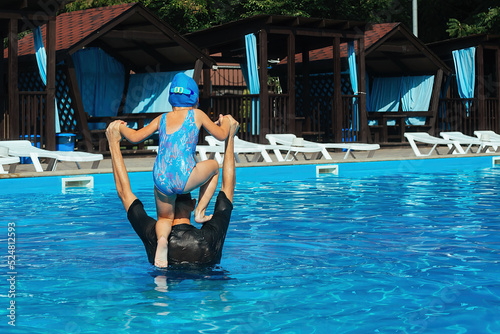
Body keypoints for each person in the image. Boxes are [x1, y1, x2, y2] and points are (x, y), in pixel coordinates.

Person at [117, 73, 230, 267]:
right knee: (214, 167)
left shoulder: (162, 118)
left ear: (171, 99)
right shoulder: (197, 114)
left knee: (164, 218)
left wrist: (120, 128)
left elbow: (134, 137)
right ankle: (200, 212)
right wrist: (226, 121)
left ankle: (162, 240)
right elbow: (222, 135)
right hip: (184, 176)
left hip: (160, 176)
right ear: (194, 99)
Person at [106, 114, 239, 267]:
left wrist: (114, 143)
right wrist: (230, 137)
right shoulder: (211, 236)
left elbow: (124, 192)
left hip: (163, 286)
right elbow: (228, 187)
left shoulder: (153, 236)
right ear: (192, 204)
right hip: (207, 285)